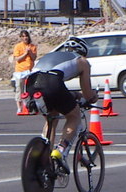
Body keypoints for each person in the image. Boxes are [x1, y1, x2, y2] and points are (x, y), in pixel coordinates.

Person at [25, 36, 98, 174]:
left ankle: (44, 154)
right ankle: (61, 150)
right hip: (52, 82)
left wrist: (74, 95)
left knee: (51, 117)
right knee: (74, 115)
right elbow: (88, 94)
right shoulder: (82, 61)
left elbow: (56, 88)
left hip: (31, 84)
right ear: (83, 52)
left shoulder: (52, 55)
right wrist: (93, 97)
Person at [13, 30, 37, 114]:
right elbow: (17, 59)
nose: (25, 38)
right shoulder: (18, 46)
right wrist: (25, 53)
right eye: (23, 36)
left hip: (29, 71)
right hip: (20, 71)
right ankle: (19, 107)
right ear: (20, 37)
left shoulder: (32, 46)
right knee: (19, 89)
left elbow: (34, 58)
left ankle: (29, 106)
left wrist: (30, 52)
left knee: (29, 89)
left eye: (26, 36)